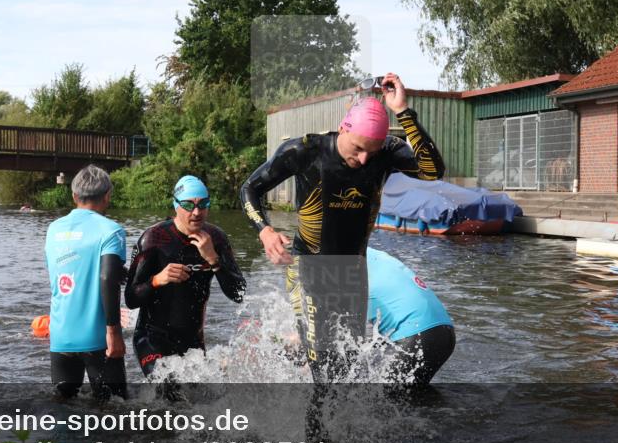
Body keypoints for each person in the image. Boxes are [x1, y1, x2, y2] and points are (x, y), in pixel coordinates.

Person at [239, 72, 445, 382]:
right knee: (324, 370)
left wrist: (403, 112)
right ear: (343, 128)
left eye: (371, 153)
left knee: (346, 365)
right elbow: (249, 189)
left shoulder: (385, 152)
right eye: (358, 149)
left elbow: (433, 171)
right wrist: (265, 230)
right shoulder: (306, 150)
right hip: (308, 266)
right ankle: (312, 427)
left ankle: (334, 425)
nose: (363, 159)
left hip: (353, 269)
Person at [125, 175, 246, 379]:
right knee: (169, 393)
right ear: (176, 206)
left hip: (193, 343)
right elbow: (130, 299)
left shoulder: (216, 239)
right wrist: (157, 280)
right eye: (189, 205)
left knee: (197, 402)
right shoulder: (154, 239)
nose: (197, 212)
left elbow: (238, 294)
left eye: (203, 204)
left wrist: (213, 259)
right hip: (152, 339)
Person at [44, 165, 128, 400]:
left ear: (74, 196)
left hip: (60, 336)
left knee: (63, 407)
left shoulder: (53, 229)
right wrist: (113, 332)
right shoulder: (112, 231)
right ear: (108, 195)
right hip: (98, 337)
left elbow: (64, 271)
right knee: (115, 411)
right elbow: (107, 277)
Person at [366, 248, 455, 386]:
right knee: (412, 398)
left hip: (415, 337)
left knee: (367, 396)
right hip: (444, 332)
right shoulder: (372, 254)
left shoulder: (338, 264)